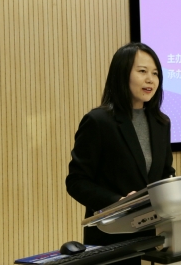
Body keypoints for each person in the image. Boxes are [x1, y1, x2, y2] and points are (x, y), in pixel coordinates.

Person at [65, 42, 175, 258]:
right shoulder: (99, 121)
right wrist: (119, 202)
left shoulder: (161, 123)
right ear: (122, 74)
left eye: (155, 73)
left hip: (153, 234)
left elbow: (165, 173)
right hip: (111, 236)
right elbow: (77, 182)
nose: (150, 79)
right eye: (142, 71)